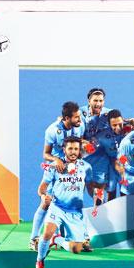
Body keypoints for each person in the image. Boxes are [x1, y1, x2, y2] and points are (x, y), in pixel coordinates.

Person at [29, 101, 85, 251]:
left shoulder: (79, 126)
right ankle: (33, 238)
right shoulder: (52, 130)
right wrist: (57, 160)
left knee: (66, 202)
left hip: (72, 170)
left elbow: (79, 144)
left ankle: (63, 239)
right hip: (57, 170)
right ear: (67, 118)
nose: (80, 120)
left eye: (79, 116)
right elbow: (45, 154)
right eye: (76, 117)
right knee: (47, 202)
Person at [35, 137, 93, 268]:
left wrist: (96, 196)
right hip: (58, 207)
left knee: (76, 249)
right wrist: (44, 197)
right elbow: (41, 189)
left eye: (76, 149)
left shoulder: (86, 167)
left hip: (75, 212)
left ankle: (58, 239)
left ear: (80, 151)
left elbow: (90, 186)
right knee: (47, 233)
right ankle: (40, 260)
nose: (73, 152)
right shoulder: (54, 167)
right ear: (64, 149)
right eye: (70, 148)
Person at [94, 109, 127, 201]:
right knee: (111, 193)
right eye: (114, 125)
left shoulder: (130, 129)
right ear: (109, 124)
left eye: (120, 124)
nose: (118, 127)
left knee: (125, 194)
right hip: (111, 167)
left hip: (126, 166)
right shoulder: (102, 136)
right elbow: (88, 149)